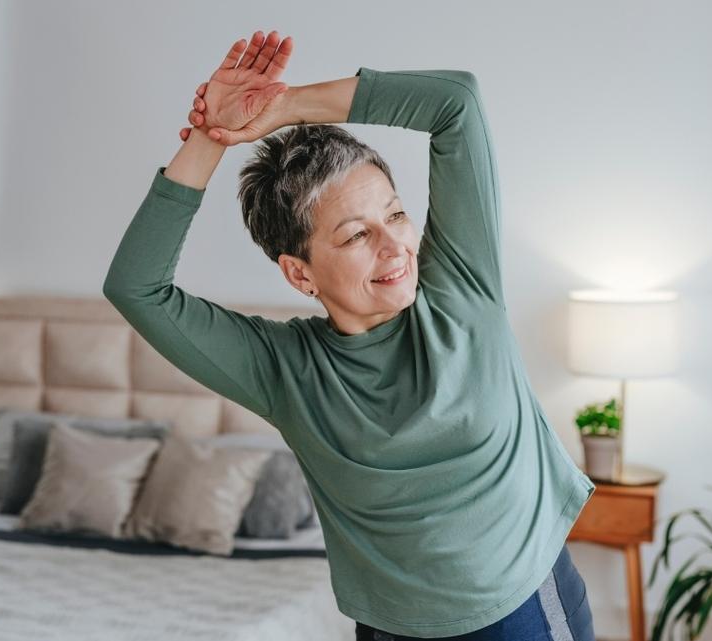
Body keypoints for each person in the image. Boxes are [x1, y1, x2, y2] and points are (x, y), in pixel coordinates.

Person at [103, 29, 598, 640]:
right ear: (299, 272)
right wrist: (211, 136)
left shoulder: (462, 291)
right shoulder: (285, 369)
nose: (395, 247)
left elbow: (456, 103)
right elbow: (136, 287)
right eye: (357, 235)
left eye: (394, 214)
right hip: (389, 627)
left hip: (521, 611)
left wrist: (284, 107)